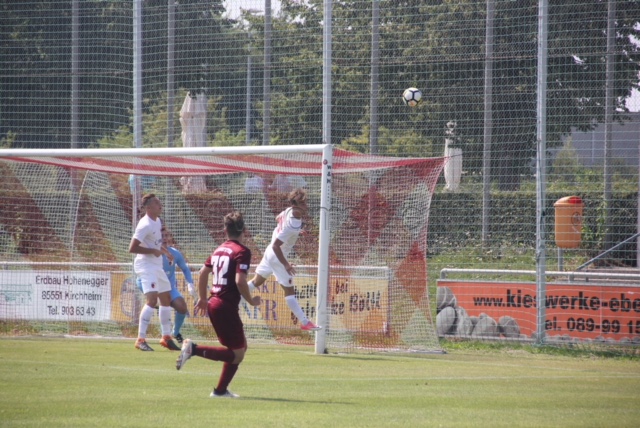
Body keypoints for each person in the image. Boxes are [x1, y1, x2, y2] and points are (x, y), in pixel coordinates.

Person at [175, 211, 261, 399]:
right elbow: (240, 281)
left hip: (215, 303)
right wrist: (251, 300)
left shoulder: (219, 249)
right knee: (237, 354)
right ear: (244, 230)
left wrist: (202, 298)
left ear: (225, 230)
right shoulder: (242, 251)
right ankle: (193, 349)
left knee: (241, 348)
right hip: (225, 306)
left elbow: (203, 273)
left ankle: (220, 391)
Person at [248, 188, 321, 331]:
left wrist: (296, 232)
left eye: (306, 202)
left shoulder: (288, 211)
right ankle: (305, 322)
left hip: (269, 253)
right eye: (303, 203)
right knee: (289, 291)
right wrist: (286, 264)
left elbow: (278, 218)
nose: (306, 206)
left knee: (256, 281)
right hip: (276, 255)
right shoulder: (292, 225)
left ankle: (233, 295)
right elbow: (276, 246)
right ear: (296, 204)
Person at [128, 193, 180, 352]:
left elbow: (155, 243)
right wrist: (152, 251)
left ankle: (166, 337)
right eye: (157, 203)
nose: (160, 205)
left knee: (166, 298)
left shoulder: (157, 221)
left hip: (156, 265)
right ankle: (140, 339)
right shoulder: (144, 225)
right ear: (149, 207)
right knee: (151, 300)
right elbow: (132, 248)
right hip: (146, 266)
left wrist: (165, 251)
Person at [136, 225, 196, 344]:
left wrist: (190, 283)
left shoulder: (175, 253)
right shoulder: (152, 252)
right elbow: (140, 275)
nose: (164, 238)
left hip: (169, 287)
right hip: (150, 284)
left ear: (170, 238)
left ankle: (175, 333)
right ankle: (142, 337)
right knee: (155, 302)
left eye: (166, 235)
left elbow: (185, 268)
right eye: (161, 235)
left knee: (182, 308)